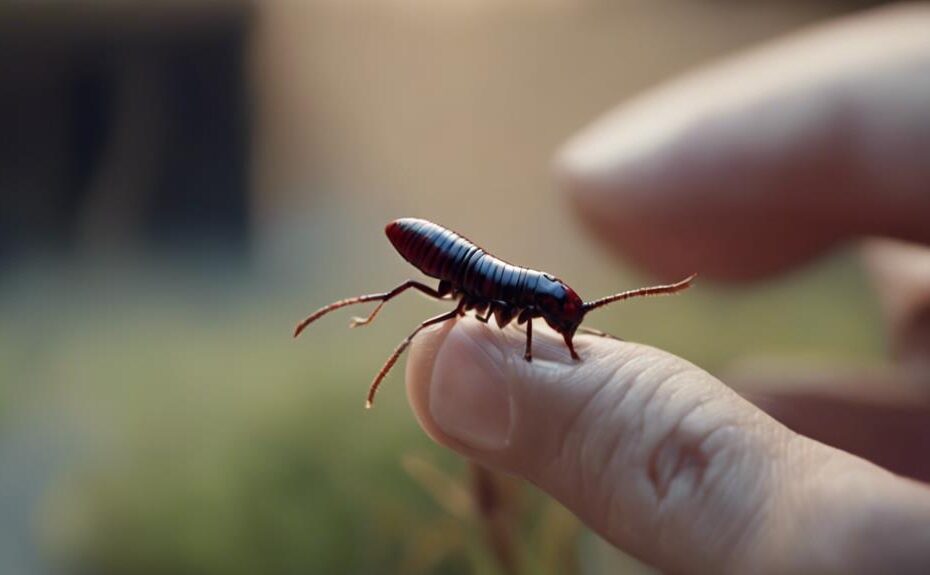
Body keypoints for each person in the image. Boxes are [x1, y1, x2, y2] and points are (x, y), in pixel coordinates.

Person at [405, 5, 930, 573]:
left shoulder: (530, 305)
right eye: (564, 323)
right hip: (443, 253)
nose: (564, 330)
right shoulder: (520, 303)